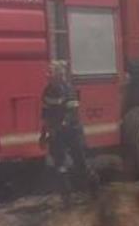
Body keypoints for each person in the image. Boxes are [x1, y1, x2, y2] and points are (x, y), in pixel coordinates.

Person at [39, 61, 97, 205]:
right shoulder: (47, 91)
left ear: (58, 75)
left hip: (72, 131)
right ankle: (67, 199)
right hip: (57, 132)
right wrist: (43, 134)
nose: (47, 75)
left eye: (50, 72)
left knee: (80, 163)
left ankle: (95, 190)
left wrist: (59, 126)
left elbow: (71, 114)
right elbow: (46, 115)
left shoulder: (69, 90)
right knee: (59, 165)